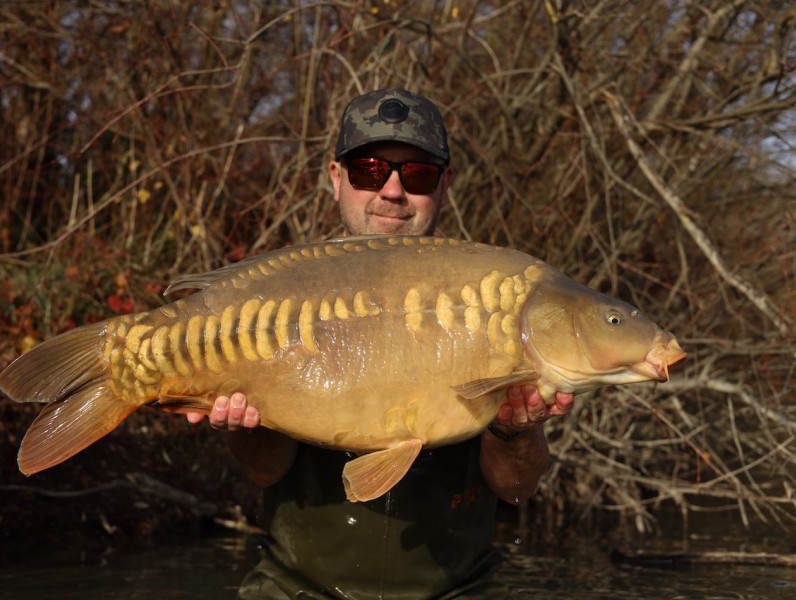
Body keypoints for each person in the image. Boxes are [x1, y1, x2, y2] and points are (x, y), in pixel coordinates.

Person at [188, 88, 575, 599]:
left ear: (444, 186)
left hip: (459, 590)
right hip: (298, 588)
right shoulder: (278, 293)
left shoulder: (492, 299)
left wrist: (512, 433)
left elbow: (518, 490)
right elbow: (265, 472)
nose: (392, 191)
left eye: (417, 175)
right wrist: (245, 423)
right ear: (336, 179)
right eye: (369, 170)